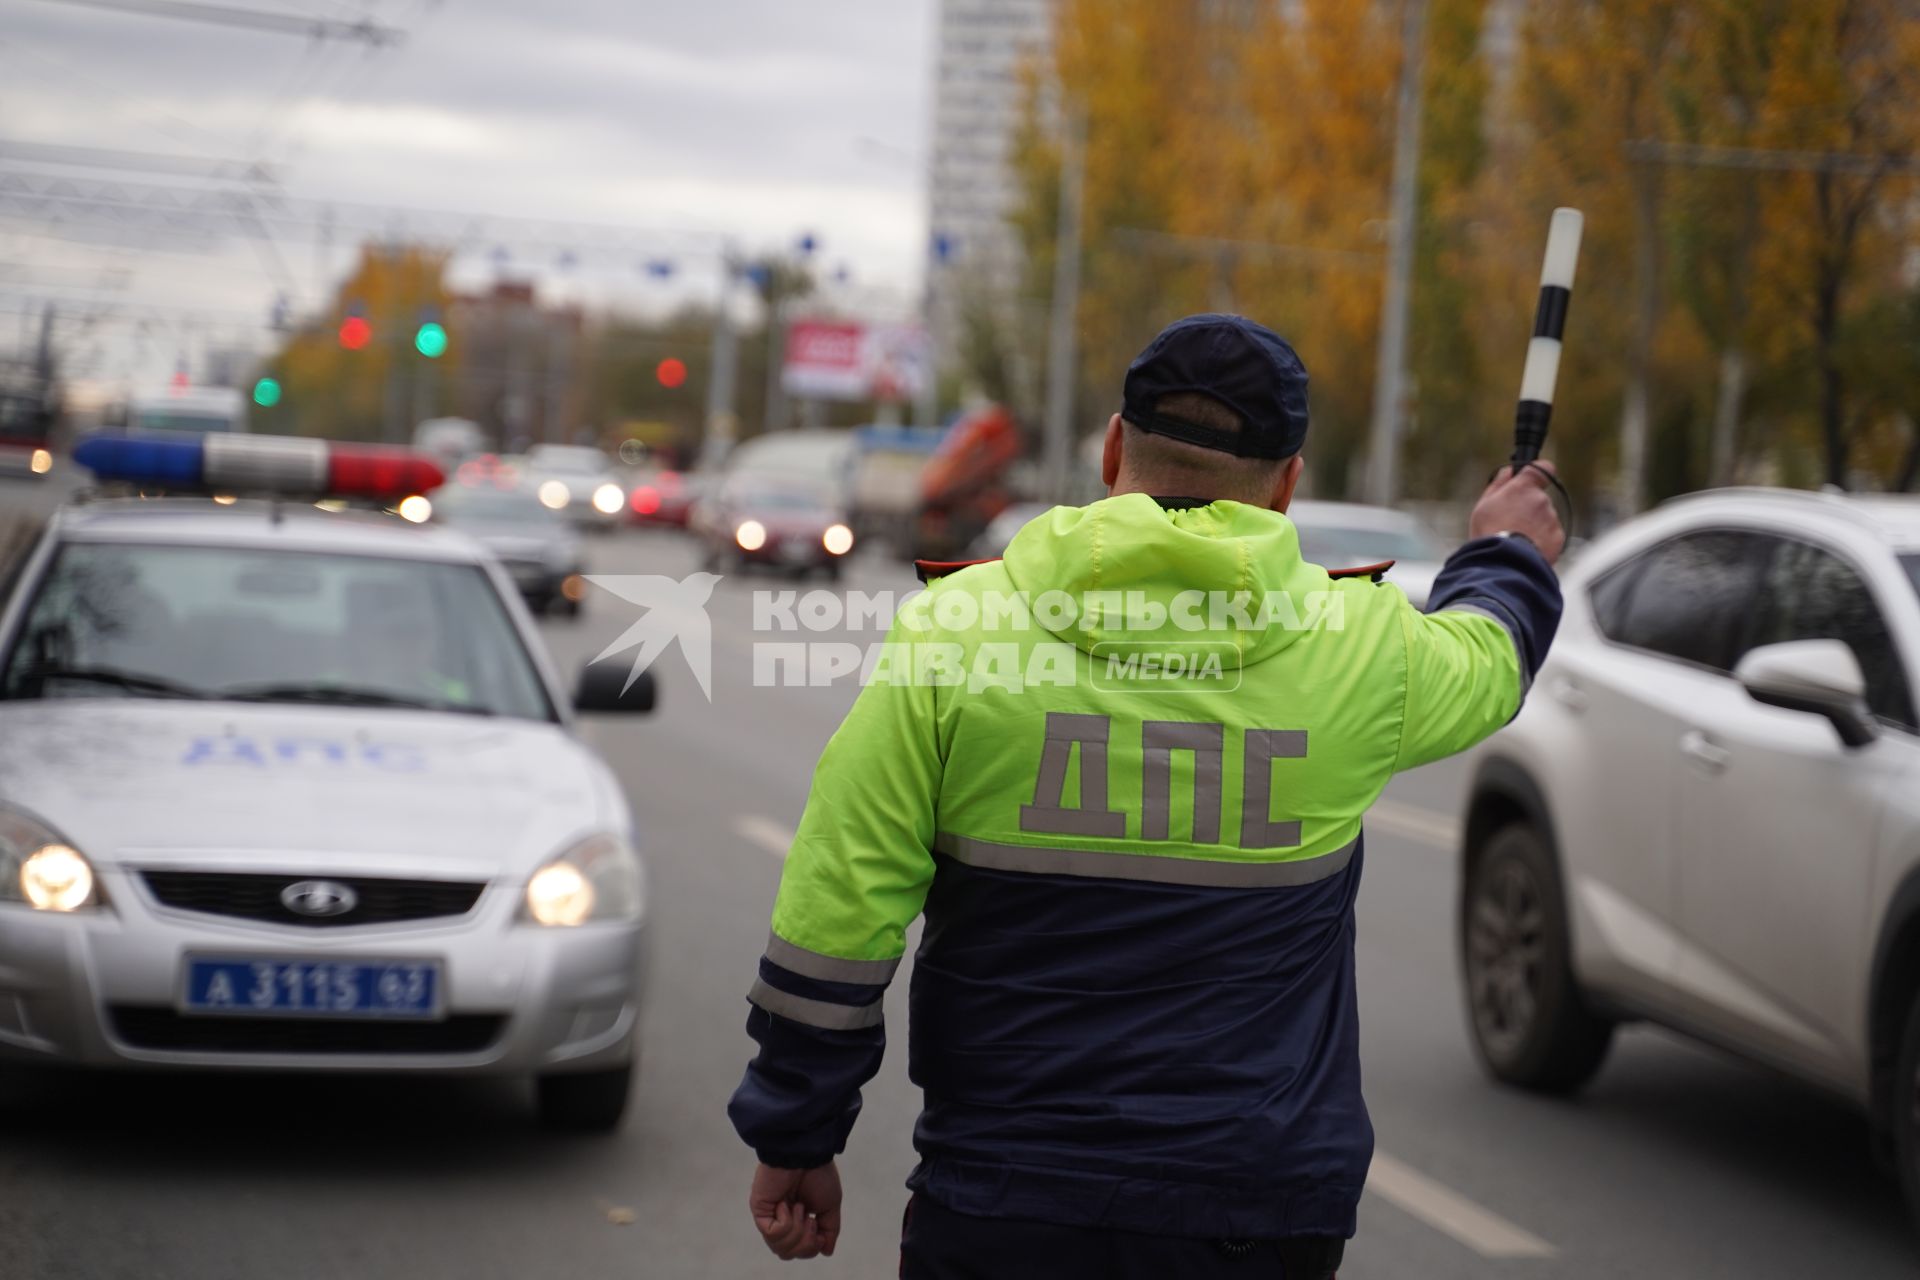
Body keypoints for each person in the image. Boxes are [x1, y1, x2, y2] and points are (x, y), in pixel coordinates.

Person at [727, 313, 1565, 1278]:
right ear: (1287, 484)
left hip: (1003, 1200)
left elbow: (838, 907)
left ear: (1115, 449)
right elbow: (1493, 656)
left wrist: (797, 1135)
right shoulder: (1364, 653)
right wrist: (1507, 549)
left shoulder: (957, 635)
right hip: (1252, 1212)